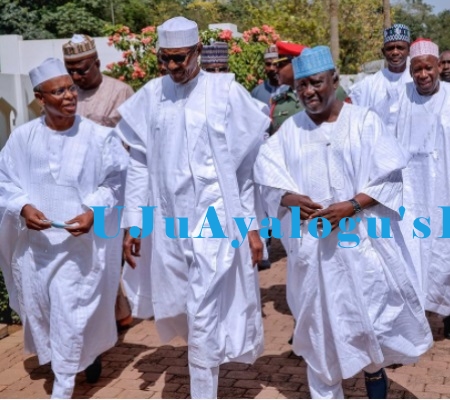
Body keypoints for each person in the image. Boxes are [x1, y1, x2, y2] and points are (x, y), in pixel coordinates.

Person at [254, 45, 433, 399]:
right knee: (320, 328)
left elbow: (390, 178)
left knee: (368, 323)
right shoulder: (290, 131)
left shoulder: (364, 122)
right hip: (313, 255)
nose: (308, 92)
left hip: (363, 249)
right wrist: (288, 198)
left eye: (316, 83)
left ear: (335, 80)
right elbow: (267, 177)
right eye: (302, 85)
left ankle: (373, 374)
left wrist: (351, 205)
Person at [115, 17, 268, 398]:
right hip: (169, 225)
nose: (172, 67)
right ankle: (208, 366)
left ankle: (204, 390)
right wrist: (135, 223)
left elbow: (245, 169)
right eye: (164, 59)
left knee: (202, 308)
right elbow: (137, 165)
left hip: (214, 221)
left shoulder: (225, 93)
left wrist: (251, 226)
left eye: (179, 58)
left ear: (198, 51)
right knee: (188, 309)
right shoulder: (151, 95)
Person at [0, 58, 128, 398]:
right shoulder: (22, 138)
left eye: (71, 88)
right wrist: (23, 207)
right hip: (38, 249)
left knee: (70, 309)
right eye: (59, 91)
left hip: (80, 249)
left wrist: (93, 211)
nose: (69, 95)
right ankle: (82, 356)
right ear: (41, 99)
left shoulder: (100, 138)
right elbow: (5, 183)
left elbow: (116, 181)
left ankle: (64, 385)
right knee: (48, 311)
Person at [394, 39, 450, 340]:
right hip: (410, 191)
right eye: (417, 69)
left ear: (439, 67)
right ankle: (414, 318)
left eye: (428, 68)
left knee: (449, 253)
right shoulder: (399, 98)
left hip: (448, 189)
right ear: (410, 70)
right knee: (410, 254)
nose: (423, 74)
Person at [63, 33, 136, 330]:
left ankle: (110, 316)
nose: (77, 76)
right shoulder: (66, 94)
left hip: (112, 186)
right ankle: (111, 315)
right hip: (73, 188)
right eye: (72, 70)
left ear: (97, 62)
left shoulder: (120, 92)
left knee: (107, 253)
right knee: (85, 255)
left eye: (83, 68)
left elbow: (132, 144)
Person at [270, 41, 348, 135]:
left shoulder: (362, 122)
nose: (275, 69)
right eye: (302, 86)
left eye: (280, 64)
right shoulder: (283, 113)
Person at [348, 23, 413, 133]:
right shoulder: (369, 83)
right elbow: (348, 109)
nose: (395, 52)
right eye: (390, 48)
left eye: (400, 48)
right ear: (383, 52)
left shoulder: (417, 81)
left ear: (408, 50)